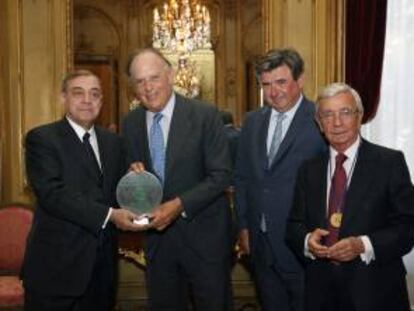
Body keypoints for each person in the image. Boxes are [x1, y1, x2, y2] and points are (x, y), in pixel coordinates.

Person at [286, 82, 414, 311]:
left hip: (376, 292)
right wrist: (308, 241)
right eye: (327, 114)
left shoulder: (390, 163)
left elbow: (407, 227)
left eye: (345, 112)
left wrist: (362, 245)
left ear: (360, 116)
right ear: (319, 124)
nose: (337, 123)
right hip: (321, 294)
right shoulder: (308, 170)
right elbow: (293, 225)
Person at [121, 48, 233, 310]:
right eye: (140, 81)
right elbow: (130, 174)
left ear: (170, 76)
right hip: (158, 244)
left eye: (154, 78)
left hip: (205, 240)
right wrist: (131, 178)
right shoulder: (131, 123)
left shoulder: (205, 115)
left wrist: (178, 205)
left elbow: (221, 174)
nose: (148, 87)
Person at [23, 70, 141, 311]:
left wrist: (135, 180)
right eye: (79, 93)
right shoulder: (42, 139)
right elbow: (53, 195)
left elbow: (118, 192)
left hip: (102, 271)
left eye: (95, 94)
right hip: (55, 270)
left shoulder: (114, 143)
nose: (87, 100)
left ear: (101, 101)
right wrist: (109, 215)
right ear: (63, 98)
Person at [234, 48, 326, 311]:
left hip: (302, 246)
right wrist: (244, 227)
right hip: (260, 246)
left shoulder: (321, 119)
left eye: (281, 82)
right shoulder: (252, 121)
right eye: (266, 84)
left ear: (300, 80)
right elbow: (241, 177)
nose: (273, 92)